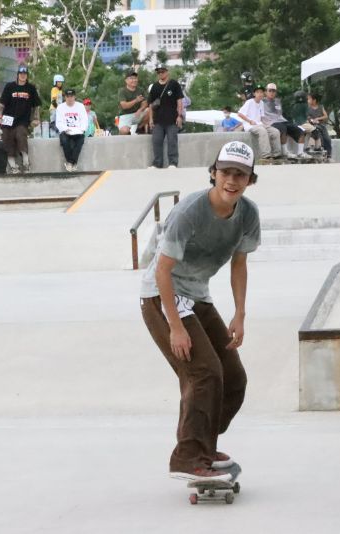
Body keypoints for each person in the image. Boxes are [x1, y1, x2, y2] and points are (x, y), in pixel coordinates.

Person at [140, 140, 260, 483]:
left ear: (250, 180)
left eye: (241, 175)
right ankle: (188, 456)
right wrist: (175, 328)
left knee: (233, 378)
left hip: (198, 297)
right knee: (204, 372)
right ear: (213, 173)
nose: (232, 181)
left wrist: (240, 313)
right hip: (160, 296)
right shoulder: (190, 211)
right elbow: (162, 271)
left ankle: (203, 445)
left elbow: (240, 263)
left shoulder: (248, 215)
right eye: (226, 173)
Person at [0, 65, 41, 174]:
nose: (23, 76)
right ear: (17, 75)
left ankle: (26, 161)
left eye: (25, 74)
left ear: (27, 76)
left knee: (20, 133)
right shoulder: (9, 86)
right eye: (21, 74)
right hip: (8, 118)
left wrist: (36, 118)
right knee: (7, 137)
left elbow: (36, 105)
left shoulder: (31, 88)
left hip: (23, 119)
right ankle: (12, 164)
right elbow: (2, 104)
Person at [148, 63, 184, 169]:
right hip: (158, 120)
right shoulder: (154, 86)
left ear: (167, 72)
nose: (160, 74)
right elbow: (150, 104)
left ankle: (173, 163)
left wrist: (179, 116)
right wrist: (150, 119)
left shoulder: (174, 84)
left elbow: (180, 101)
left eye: (162, 71)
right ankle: (157, 163)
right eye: (158, 72)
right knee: (156, 141)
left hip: (172, 119)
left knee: (172, 141)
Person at [262, 83, 309, 159]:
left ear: (276, 92)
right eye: (269, 90)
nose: (271, 93)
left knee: (301, 131)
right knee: (283, 129)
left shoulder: (278, 101)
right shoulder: (262, 101)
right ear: (266, 92)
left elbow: (280, 114)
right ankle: (285, 152)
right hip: (271, 122)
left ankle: (300, 153)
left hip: (282, 120)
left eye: (273, 91)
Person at [237, 85, 281, 159]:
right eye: (257, 92)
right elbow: (240, 114)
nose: (260, 94)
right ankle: (266, 155)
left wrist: (267, 124)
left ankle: (277, 154)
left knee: (275, 131)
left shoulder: (261, 103)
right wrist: (250, 121)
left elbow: (262, 117)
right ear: (254, 94)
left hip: (259, 124)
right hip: (250, 125)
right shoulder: (249, 102)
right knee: (262, 131)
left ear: (263, 94)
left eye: (261, 92)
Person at [56, 89, 88, 172]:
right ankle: (73, 163)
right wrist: (65, 129)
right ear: (65, 97)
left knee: (80, 140)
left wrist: (82, 129)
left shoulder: (80, 106)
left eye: (72, 96)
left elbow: (84, 120)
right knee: (64, 140)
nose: (70, 98)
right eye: (68, 97)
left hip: (78, 130)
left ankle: (70, 162)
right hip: (66, 131)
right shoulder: (60, 107)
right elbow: (58, 122)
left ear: (75, 97)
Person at [118, 70, 149, 135]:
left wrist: (140, 109)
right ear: (126, 80)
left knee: (149, 110)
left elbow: (145, 103)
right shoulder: (122, 91)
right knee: (123, 131)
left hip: (137, 114)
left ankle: (139, 128)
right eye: (131, 78)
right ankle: (128, 133)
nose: (134, 80)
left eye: (135, 78)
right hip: (125, 115)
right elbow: (124, 106)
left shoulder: (141, 90)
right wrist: (136, 100)